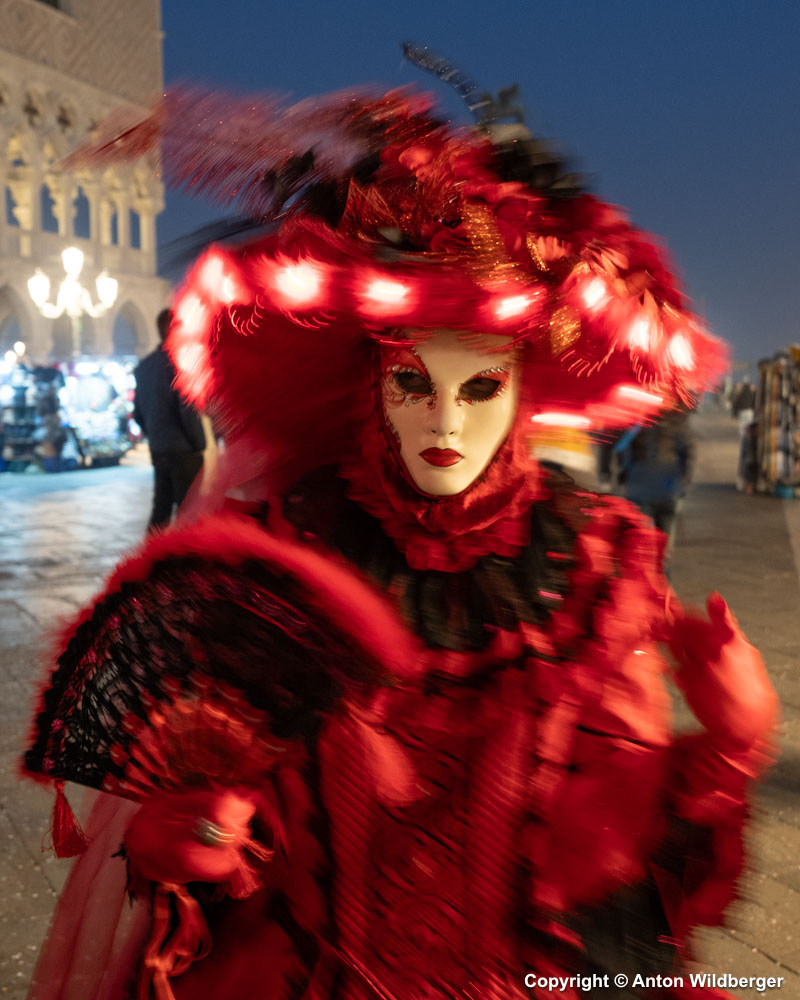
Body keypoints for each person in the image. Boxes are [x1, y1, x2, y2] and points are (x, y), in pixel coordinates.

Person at [24, 85, 776, 1000]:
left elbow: (608, 842)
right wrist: (192, 840)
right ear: (371, 387)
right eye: (413, 384)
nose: (445, 422)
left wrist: (727, 745)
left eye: (480, 388)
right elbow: (240, 835)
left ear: (522, 393)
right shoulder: (281, 558)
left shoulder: (592, 571)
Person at [133, 309, 206, 529]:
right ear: (172, 329)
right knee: (189, 510)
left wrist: (155, 435)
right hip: (183, 450)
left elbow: (138, 413)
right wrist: (199, 444)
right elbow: (187, 409)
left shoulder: (144, 367)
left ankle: (154, 549)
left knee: (161, 509)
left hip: (159, 447)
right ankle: (186, 550)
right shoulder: (180, 362)